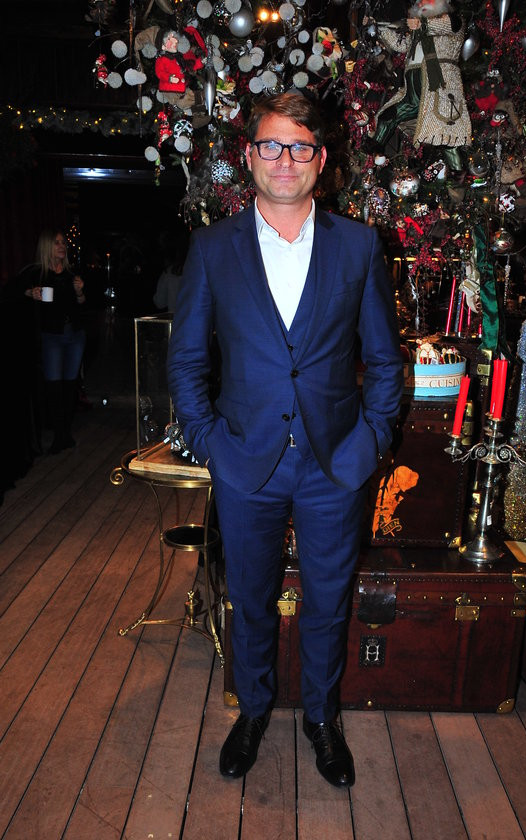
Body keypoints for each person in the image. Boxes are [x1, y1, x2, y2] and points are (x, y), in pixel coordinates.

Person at [167, 93, 402, 788]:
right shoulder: (213, 248)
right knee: (250, 598)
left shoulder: (358, 246)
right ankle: (253, 710)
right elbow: (187, 359)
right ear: (249, 157)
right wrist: (209, 440)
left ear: (321, 161)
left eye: (300, 147)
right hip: (246, 461)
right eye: (271, 145)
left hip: (336, 463)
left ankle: (322, 719)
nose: (285, 160)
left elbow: (384, 359)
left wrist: (373, 439)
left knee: (329, 600)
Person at [374, 0, 471, 169]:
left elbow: (446, 25)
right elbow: (402, 44)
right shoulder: (418, 29)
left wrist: (422, 24)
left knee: (444, 136)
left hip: (439, 87)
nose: (422, 2)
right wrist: (378, 28)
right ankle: (373, 153)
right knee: (388, 116)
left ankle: (458, 172)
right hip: (412, 88)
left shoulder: (453, 21)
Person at [19, 229, 86, 454]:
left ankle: (65, 433)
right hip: (52, 337)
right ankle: (59, 435)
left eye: (63, 243)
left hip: (74, 334)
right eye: (57, 243)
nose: (62, 246)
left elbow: (82, 303)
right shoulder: (37, 274)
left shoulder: (71, 273)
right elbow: (15, 290)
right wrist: (30, 293)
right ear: (47, 246)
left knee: (70, 385)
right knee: (54, 386)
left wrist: (79, 292)